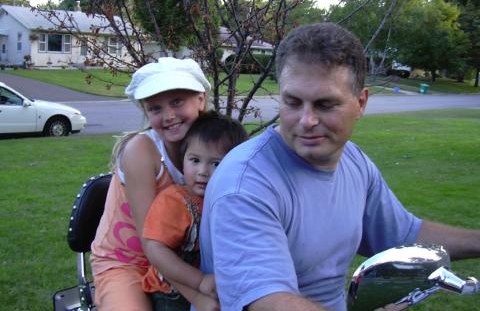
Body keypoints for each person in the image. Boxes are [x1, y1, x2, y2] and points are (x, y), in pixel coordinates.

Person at [198, 22, 480, 311]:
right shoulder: (245, 184)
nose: (306, 120)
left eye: (325, 104)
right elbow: (266, 301)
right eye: (293, 102)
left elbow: (404, 235)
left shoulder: (354, 162)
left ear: (360, 103)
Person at [90, 57, 214, 310]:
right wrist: (198, 294)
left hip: (183, 259)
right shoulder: (142, 151)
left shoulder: (211, 147)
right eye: (155, 108)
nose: (168, 116)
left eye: (177, 102)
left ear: (200, 99)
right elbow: (151, 244)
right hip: (127, 264)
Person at [141, 111, 247, 311]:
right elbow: (155, 249)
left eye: (215, 163)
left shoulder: (230, 201)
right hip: (170, 293)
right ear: (183, 160)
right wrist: (199, 282)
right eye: (195, 160)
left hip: (215, 287)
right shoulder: (175, 202)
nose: (202, 171)